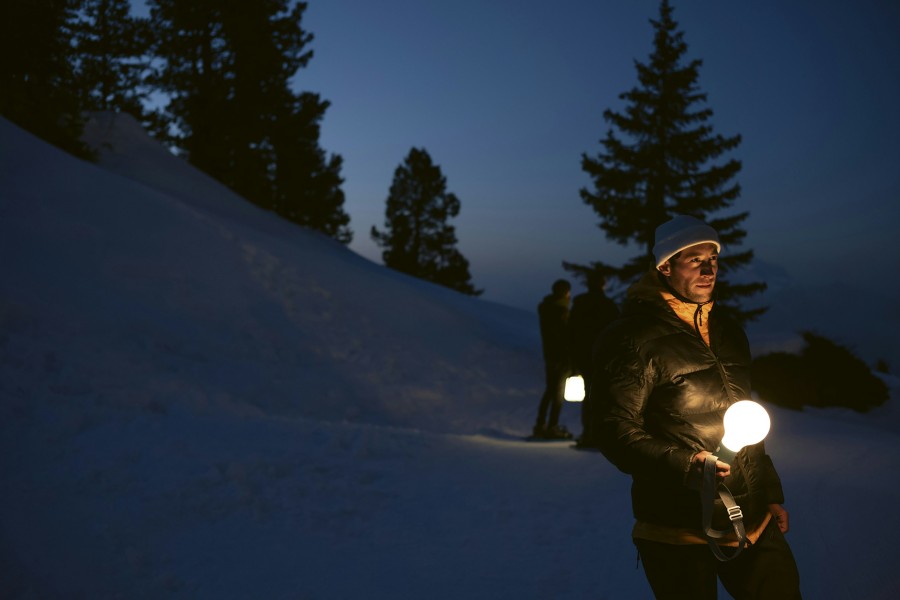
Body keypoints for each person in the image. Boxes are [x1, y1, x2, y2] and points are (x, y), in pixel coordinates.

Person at [590, 215, 801, 599]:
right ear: (665, 266)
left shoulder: (727, 330)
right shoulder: (632, 338)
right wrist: (687, 464)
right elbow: (613, 428)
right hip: (677, 528)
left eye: (714, 260)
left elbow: (745, 418)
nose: (708, 270)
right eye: (694, 260)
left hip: (750, 520)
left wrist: (769, 493)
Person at [569, 270, 620, 449]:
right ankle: (599, 435)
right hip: (603, 357)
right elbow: (616, 332)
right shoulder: (608, 305)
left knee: (589, 396)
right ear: (602, 284)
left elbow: (571, 331)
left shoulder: (580, 303)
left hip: (584, 356)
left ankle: (589, 434)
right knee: (602, 397)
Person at [532, 279, 574, 440]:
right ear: (565, 293)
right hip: (561, 357)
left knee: (550, 390)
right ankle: (552, 426)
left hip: (549, 355)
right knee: (557, 392)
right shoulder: (561, 311)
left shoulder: (547, 308)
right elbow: (565, 336)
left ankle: (541, 425)